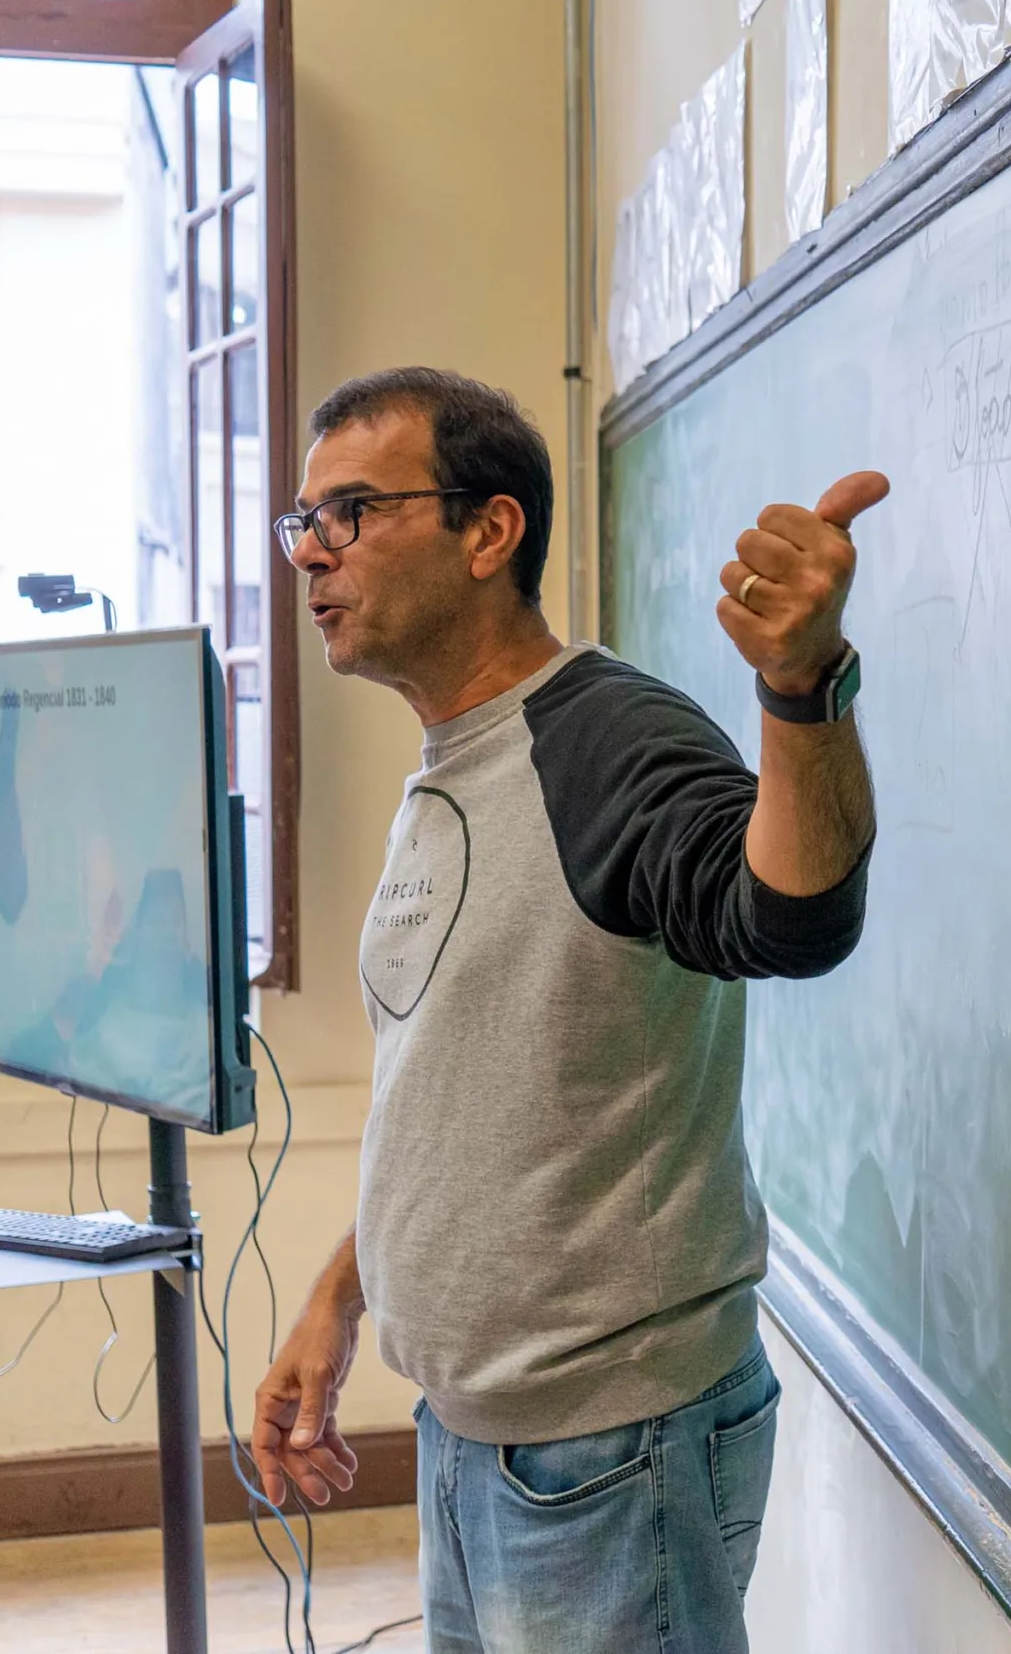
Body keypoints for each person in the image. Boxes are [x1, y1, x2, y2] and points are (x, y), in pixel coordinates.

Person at [250, 366, 882, 1651]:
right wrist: (342, 1292)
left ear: (491, 532)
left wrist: (801, 692)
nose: (313, 554)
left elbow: (787, 920)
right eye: (303, 521)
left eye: (353, 512)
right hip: (473, 1434)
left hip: (609, 1453)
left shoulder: (612, 743)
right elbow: (459, 1093)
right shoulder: (452, 763)